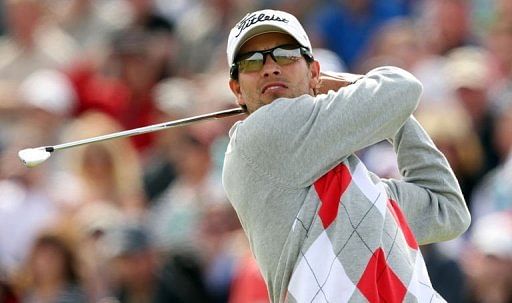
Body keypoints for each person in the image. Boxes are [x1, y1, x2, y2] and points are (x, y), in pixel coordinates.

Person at [222, 9, 471, 302]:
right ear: (237, 90)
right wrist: (351, 86)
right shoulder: (258, 136)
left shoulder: (363, 189)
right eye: (251, 62)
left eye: (286, 55)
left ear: (315, 72)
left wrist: (390, 112)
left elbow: (447, 209)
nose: (270, 68)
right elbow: (403, 87)